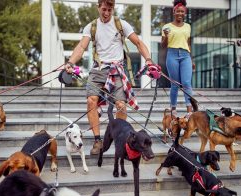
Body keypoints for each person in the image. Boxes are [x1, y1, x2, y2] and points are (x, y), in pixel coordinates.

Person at [65, 0, 153, 155]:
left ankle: (121, 137)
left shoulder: (121, 24)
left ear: (113, 8)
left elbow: (138, 43)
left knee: (121, 105)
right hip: (98, 69)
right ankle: (98, 140)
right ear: (98, 7)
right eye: (104, 9)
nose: (106, 13)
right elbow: (81, 47)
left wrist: (149, 60)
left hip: (116, 69)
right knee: (91, 100)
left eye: (110, 10)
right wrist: (71, 62)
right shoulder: (91, 26)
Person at [161, 0, 195, 118]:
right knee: (175, 84)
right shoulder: (167, 27)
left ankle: (189, 111)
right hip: (172, 54)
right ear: (174, 11)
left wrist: (192, 59)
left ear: (184, 13)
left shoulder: (188, 26)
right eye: (178, 11)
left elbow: (188, 44)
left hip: (186, 55)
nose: (180, 13)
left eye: (182, 11)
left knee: (186, 83)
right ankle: (173, 109)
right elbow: (163, 46)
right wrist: (165, 36)